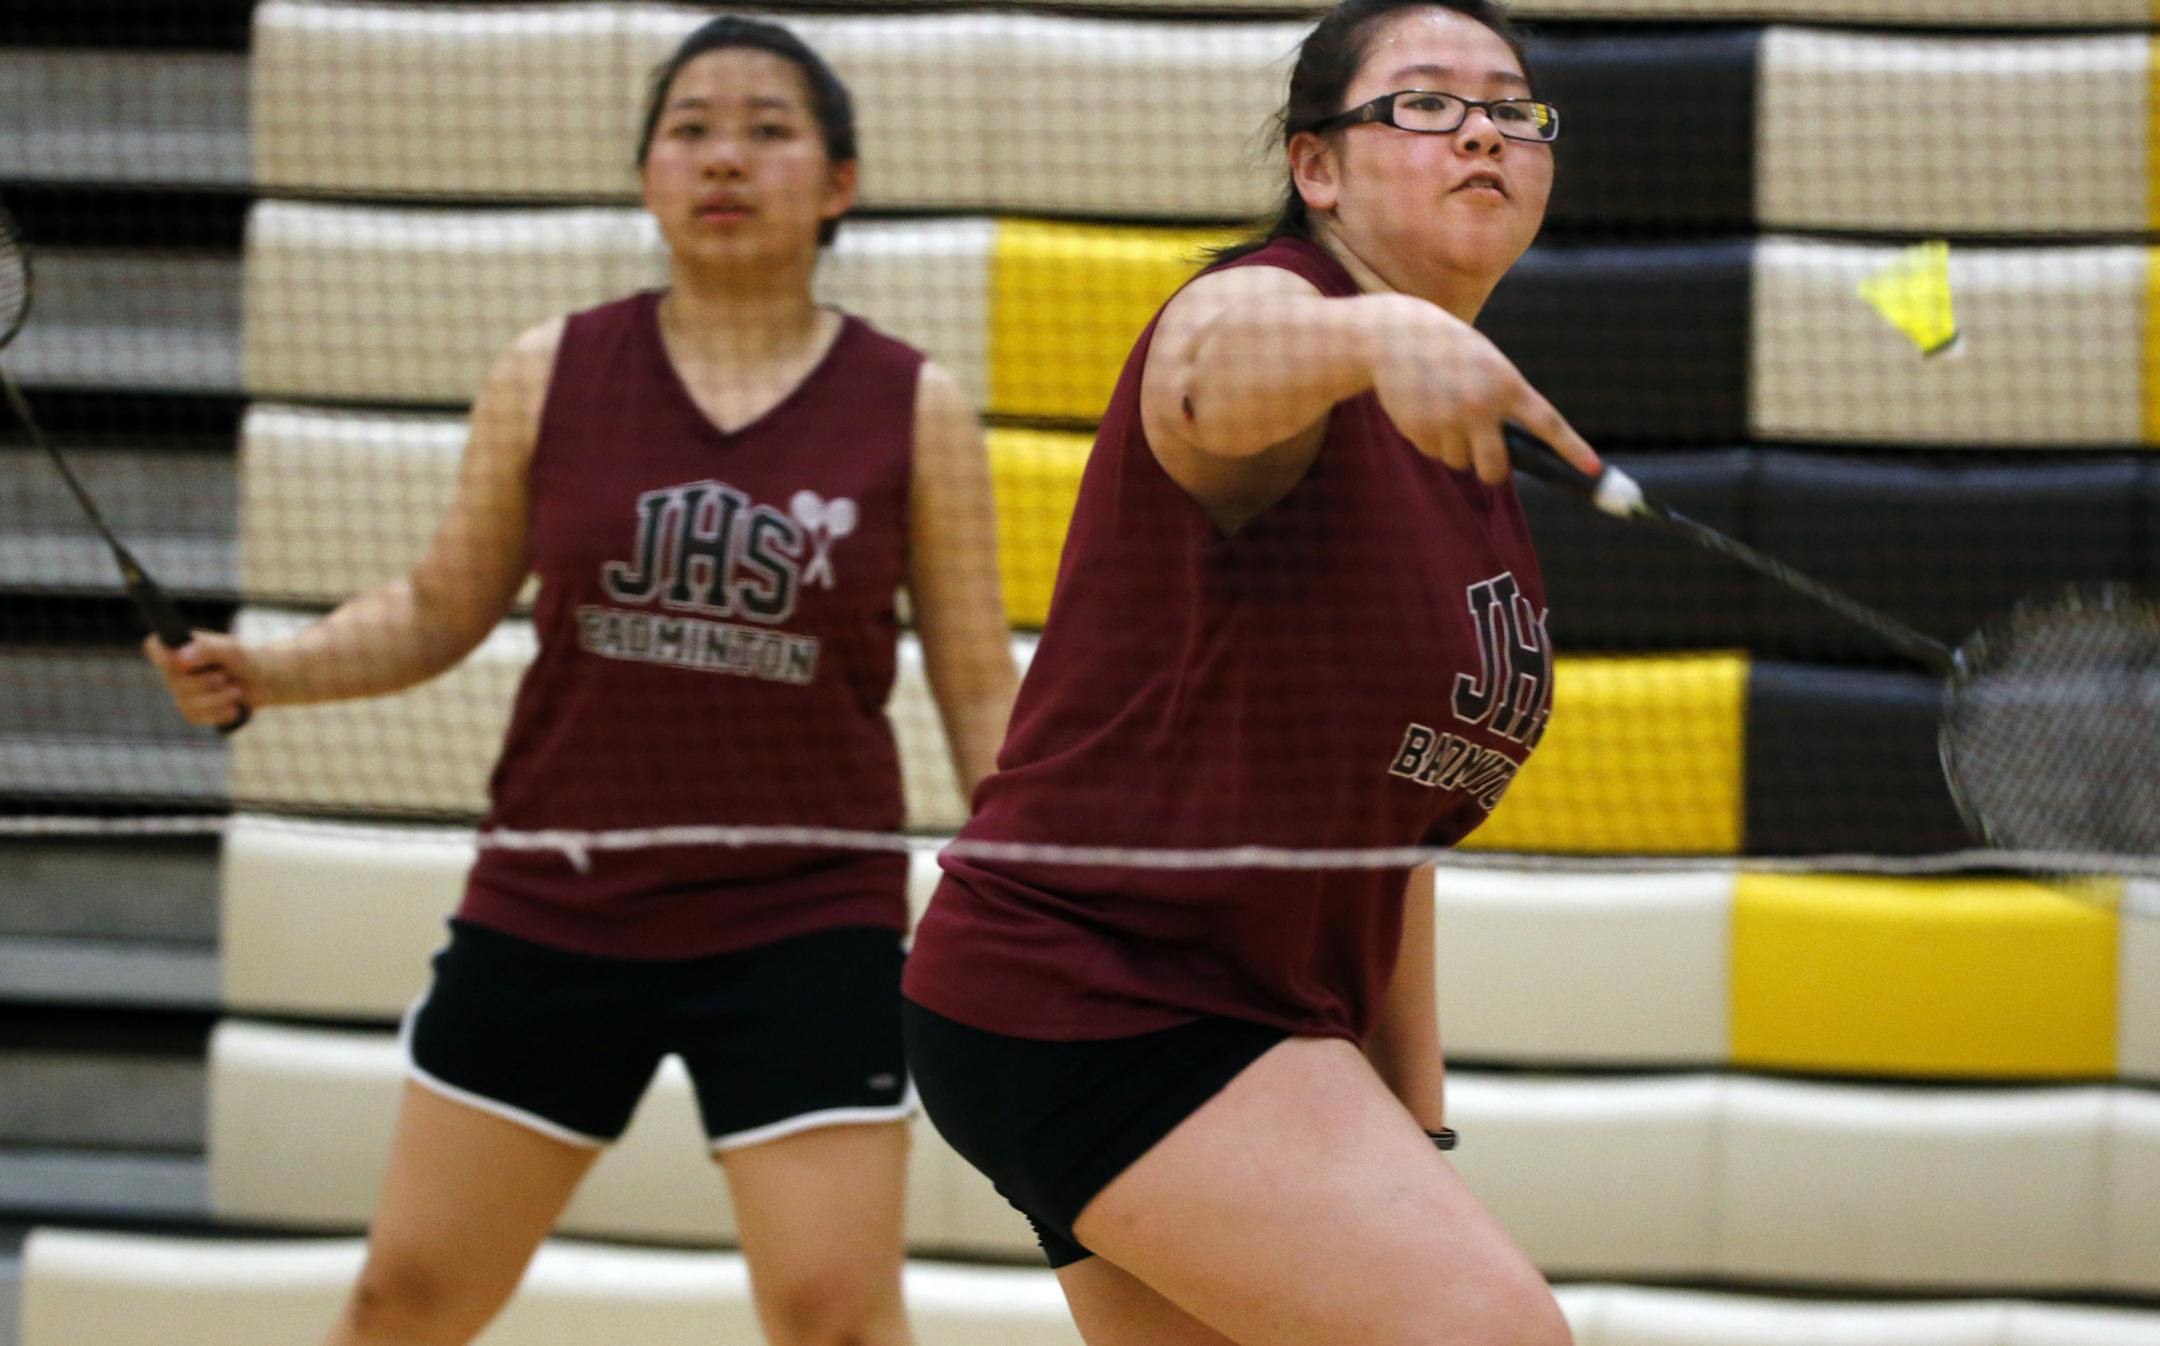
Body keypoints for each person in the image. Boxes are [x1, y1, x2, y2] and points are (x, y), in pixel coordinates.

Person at [148, 18, 1016, 1346]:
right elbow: (441, 607)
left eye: (769, 129)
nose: (726, 156)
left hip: (804, 919)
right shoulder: (549, 371)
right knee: (405, 1299)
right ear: (647, 175)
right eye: (691, 129)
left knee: (838, 1321)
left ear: (838, 183)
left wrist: (1046, 890)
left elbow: (971, 681)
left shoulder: (913, 404)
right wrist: (268, 668)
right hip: (554, 904)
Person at [901, 2, 1595, 1344]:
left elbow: (1394, 837)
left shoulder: (1470, 469)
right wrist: (1372, 338)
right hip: (1103, 993)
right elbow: (1221, 364)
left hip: (1256, 1027)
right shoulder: (1276, 312)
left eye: (1513, 107)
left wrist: (1414, 1115)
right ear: (1315, 166)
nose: (1481, 132)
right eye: (1425, 102)